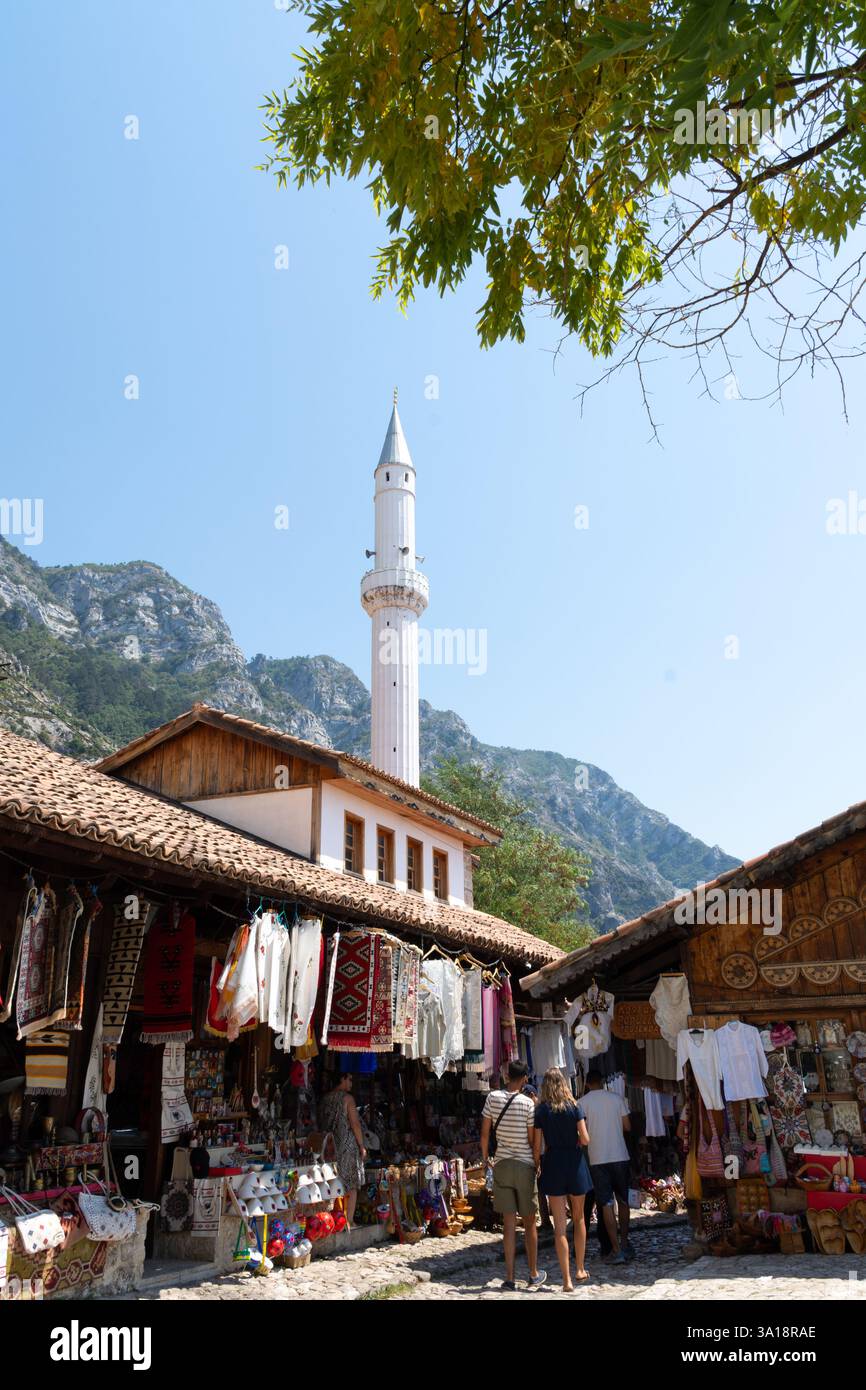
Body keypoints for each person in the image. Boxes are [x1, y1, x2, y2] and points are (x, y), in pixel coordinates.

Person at [481, 1061, 548, 1290]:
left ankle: (509, 1277)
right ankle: (533, 1273)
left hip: (502, 1164)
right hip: (524, 1165)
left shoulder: (492, 1098)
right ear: (525, 1079)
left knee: (508, 1224)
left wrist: (485, 1160)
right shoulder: (528, 1104)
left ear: (507, 1076)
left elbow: (484, 1134)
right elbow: (532, 1141)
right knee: (529, 1223)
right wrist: (537, 1162)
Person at [532, 1068, 592, 1291]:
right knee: (579, 1219)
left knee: (559, 1228)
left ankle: (566, 1280)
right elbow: (585, 1139)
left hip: (554, 1163)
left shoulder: (541, 1111)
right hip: (575, 1164)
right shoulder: (575, 1107)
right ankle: (580, 1268)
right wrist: (576, 1138)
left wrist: (538, 1165)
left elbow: (537, 1147)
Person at [579, 1070, 633, 1264]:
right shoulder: (617, 1098)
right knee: (623, 1201)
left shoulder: (582, 1103)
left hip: (597, 1158)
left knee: (606, 1204)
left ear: (586, 1084)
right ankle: (625, 1243)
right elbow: (627, 1127)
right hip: (619, 1155)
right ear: (603, 1082)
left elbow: (582, 1136)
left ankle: (616, 1250)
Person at [319, 1073, 367, 1229]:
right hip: (346, 1144)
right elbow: (355, 1124)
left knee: (333, 1182)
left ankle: (333, 1221)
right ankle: (349, 1221)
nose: (352, 1082)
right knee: (351, 1185)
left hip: (330, 1145)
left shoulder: (326, 1099)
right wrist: (361, 1145)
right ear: (342, 1079)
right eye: (350, 1079)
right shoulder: (348, 1099)